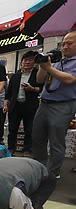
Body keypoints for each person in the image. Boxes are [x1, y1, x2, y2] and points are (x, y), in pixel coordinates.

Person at [33, 31, 76, 178]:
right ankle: (39, 170)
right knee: (38, 138)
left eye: (69, 43)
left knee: (56, 142)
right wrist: (43, 65)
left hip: (63, 105)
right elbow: (39, 80)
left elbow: (69, 79)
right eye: (63, 43)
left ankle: (53, 173)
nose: (65, 47)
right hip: (44, 104)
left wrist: (49, 68)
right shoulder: (57, 61)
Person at [4, 51, 42, 156]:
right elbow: (9, 92)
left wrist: (32, 89)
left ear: (34, 62)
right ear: (21, 62)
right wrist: (6, 105)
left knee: (29, 129)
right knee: (12, 129)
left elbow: (42, 89)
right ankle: (11, 148)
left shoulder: (37, 74)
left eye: (30, 60)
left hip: (30, 105)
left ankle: (27, 150)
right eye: (25, 60)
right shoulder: (16, 75)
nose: (27, 62)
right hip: (15, 105)